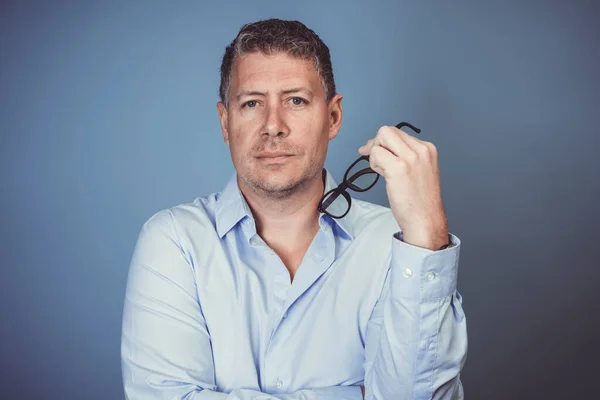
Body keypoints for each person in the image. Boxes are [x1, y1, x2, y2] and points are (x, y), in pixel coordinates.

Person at [121, 18, 467, 400]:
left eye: (296, 100)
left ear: (332, 117)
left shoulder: (399, 247)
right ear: (225, 122)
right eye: (252, 103)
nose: (273, 126)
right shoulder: (173, 242)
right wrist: (357, 394)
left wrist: (426, 234)